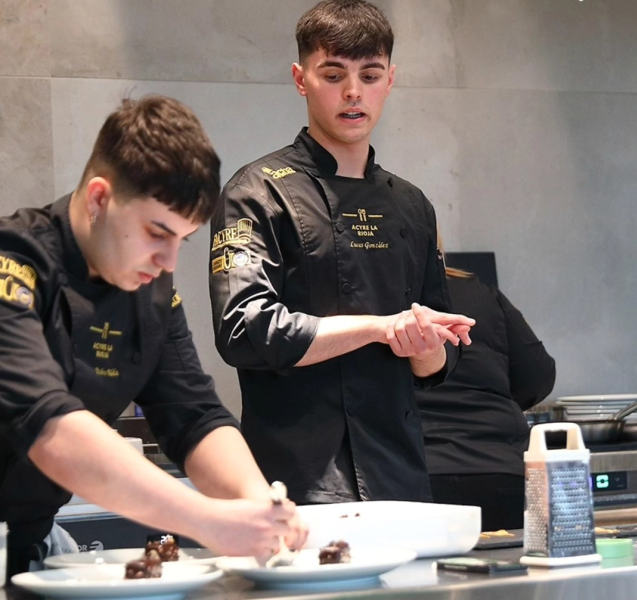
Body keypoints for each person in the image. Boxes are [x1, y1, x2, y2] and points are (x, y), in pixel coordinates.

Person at [0, 95, 306, 583]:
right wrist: (207, 520)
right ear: (101, 198)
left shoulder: (150, 292)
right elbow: (49, 430)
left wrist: (260, 506)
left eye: (181, 241)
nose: (168, 262)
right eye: (156, 233)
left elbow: (195, 415)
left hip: (20, 549)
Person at [208, 0, 475, 506]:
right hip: (296, 485)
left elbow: (439, 366)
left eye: (369, 75)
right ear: (300, 78)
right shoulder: (258, 191)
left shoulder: (412, 204)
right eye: (334, 74)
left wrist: (424, 343)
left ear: (390, 80)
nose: (353, 92)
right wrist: (379, 327)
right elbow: (244, 330)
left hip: (401, 484)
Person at [415, 252, 556, 530]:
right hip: (500, 472)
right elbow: (537, 375)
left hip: (413, 479)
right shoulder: (481, 293)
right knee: (512, 568)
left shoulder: (368, 303)